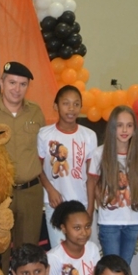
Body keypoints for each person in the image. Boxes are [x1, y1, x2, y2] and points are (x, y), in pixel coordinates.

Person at [0, 61, 46, 273]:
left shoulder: (35, 113)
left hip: (31, 192)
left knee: (28, 249)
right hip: (0, 193)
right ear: (1, 83)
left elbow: (41, 152)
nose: (17, 89)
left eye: (23, 84)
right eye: (12, 82)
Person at [87, 106, 138, 266]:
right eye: (120, 125)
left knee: (125, 267)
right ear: (112, 128)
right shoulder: (99, 154)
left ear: (135, 129)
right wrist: (91, 209)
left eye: (129, 125)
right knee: (112, 267)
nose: (124, 130)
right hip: (109, 222)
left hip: (133, 222)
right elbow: (91, 182)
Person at [38, 85, 98, 249]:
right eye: (66, 103)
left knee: (82, 253)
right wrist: (50, 189)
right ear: (56, 106)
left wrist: (90, 208)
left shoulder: (89, 136)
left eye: (76, 104)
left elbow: (91, 176)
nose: (71, 109)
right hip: (55, 205)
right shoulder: (44, 134)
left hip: (81, 204)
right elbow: (37, 168)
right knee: (60, 253)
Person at [46, 200, 100, 275]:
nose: (84, 233)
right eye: (77, 228)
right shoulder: (54, 257)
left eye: (87, 226)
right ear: (64, 228)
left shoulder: (92, 249)